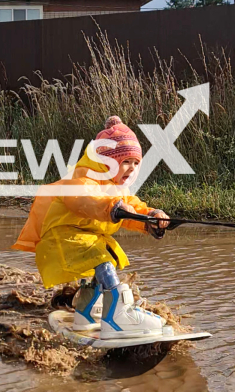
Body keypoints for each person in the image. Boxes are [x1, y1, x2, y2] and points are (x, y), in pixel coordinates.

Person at [12, 116, 171, 339]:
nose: (131, 169)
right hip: (64, 236)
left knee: (106, 253)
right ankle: (119, 314)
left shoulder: (117, 188)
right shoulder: (83, 178)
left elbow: (132, 208)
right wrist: (111, 207)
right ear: (107, 162)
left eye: (136, 163)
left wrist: (151, 218)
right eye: (125, 162)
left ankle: (87, 312)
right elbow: (83, 200)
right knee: (100, 258)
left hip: (86, 237)